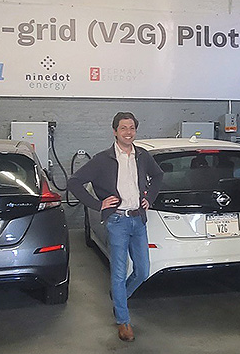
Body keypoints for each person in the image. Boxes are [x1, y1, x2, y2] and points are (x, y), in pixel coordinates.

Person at [67, 111, 164, 342]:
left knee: (142, 270)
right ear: (114, 131)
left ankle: (119, 297)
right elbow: (74, 182)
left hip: (138, 219)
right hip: (117, 221)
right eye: (123, 128)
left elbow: (158, 175)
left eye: (132, 128)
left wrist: (149, 198)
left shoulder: (142, 156)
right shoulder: (103, 159)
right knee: (119, 272)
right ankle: (123, 320)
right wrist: (98, 204)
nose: (128, 132)